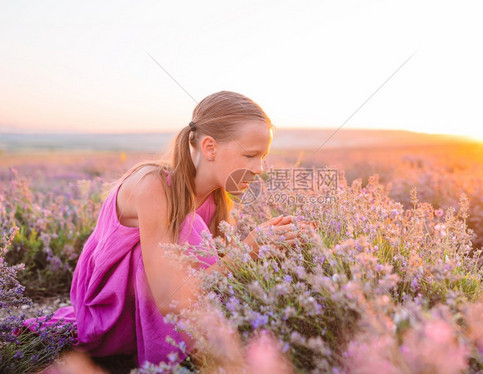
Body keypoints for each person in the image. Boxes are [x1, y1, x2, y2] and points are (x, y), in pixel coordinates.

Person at [25, 91, 300, 366]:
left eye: (262, 156)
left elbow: (217, 276)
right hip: (113, 308)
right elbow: (171, 297)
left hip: (158, 301)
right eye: (250, 155)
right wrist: (247, 251)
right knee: (190, 227)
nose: (260, 168)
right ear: (210, 147)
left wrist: (276, 246)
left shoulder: (217, 198)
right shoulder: (155, 186)